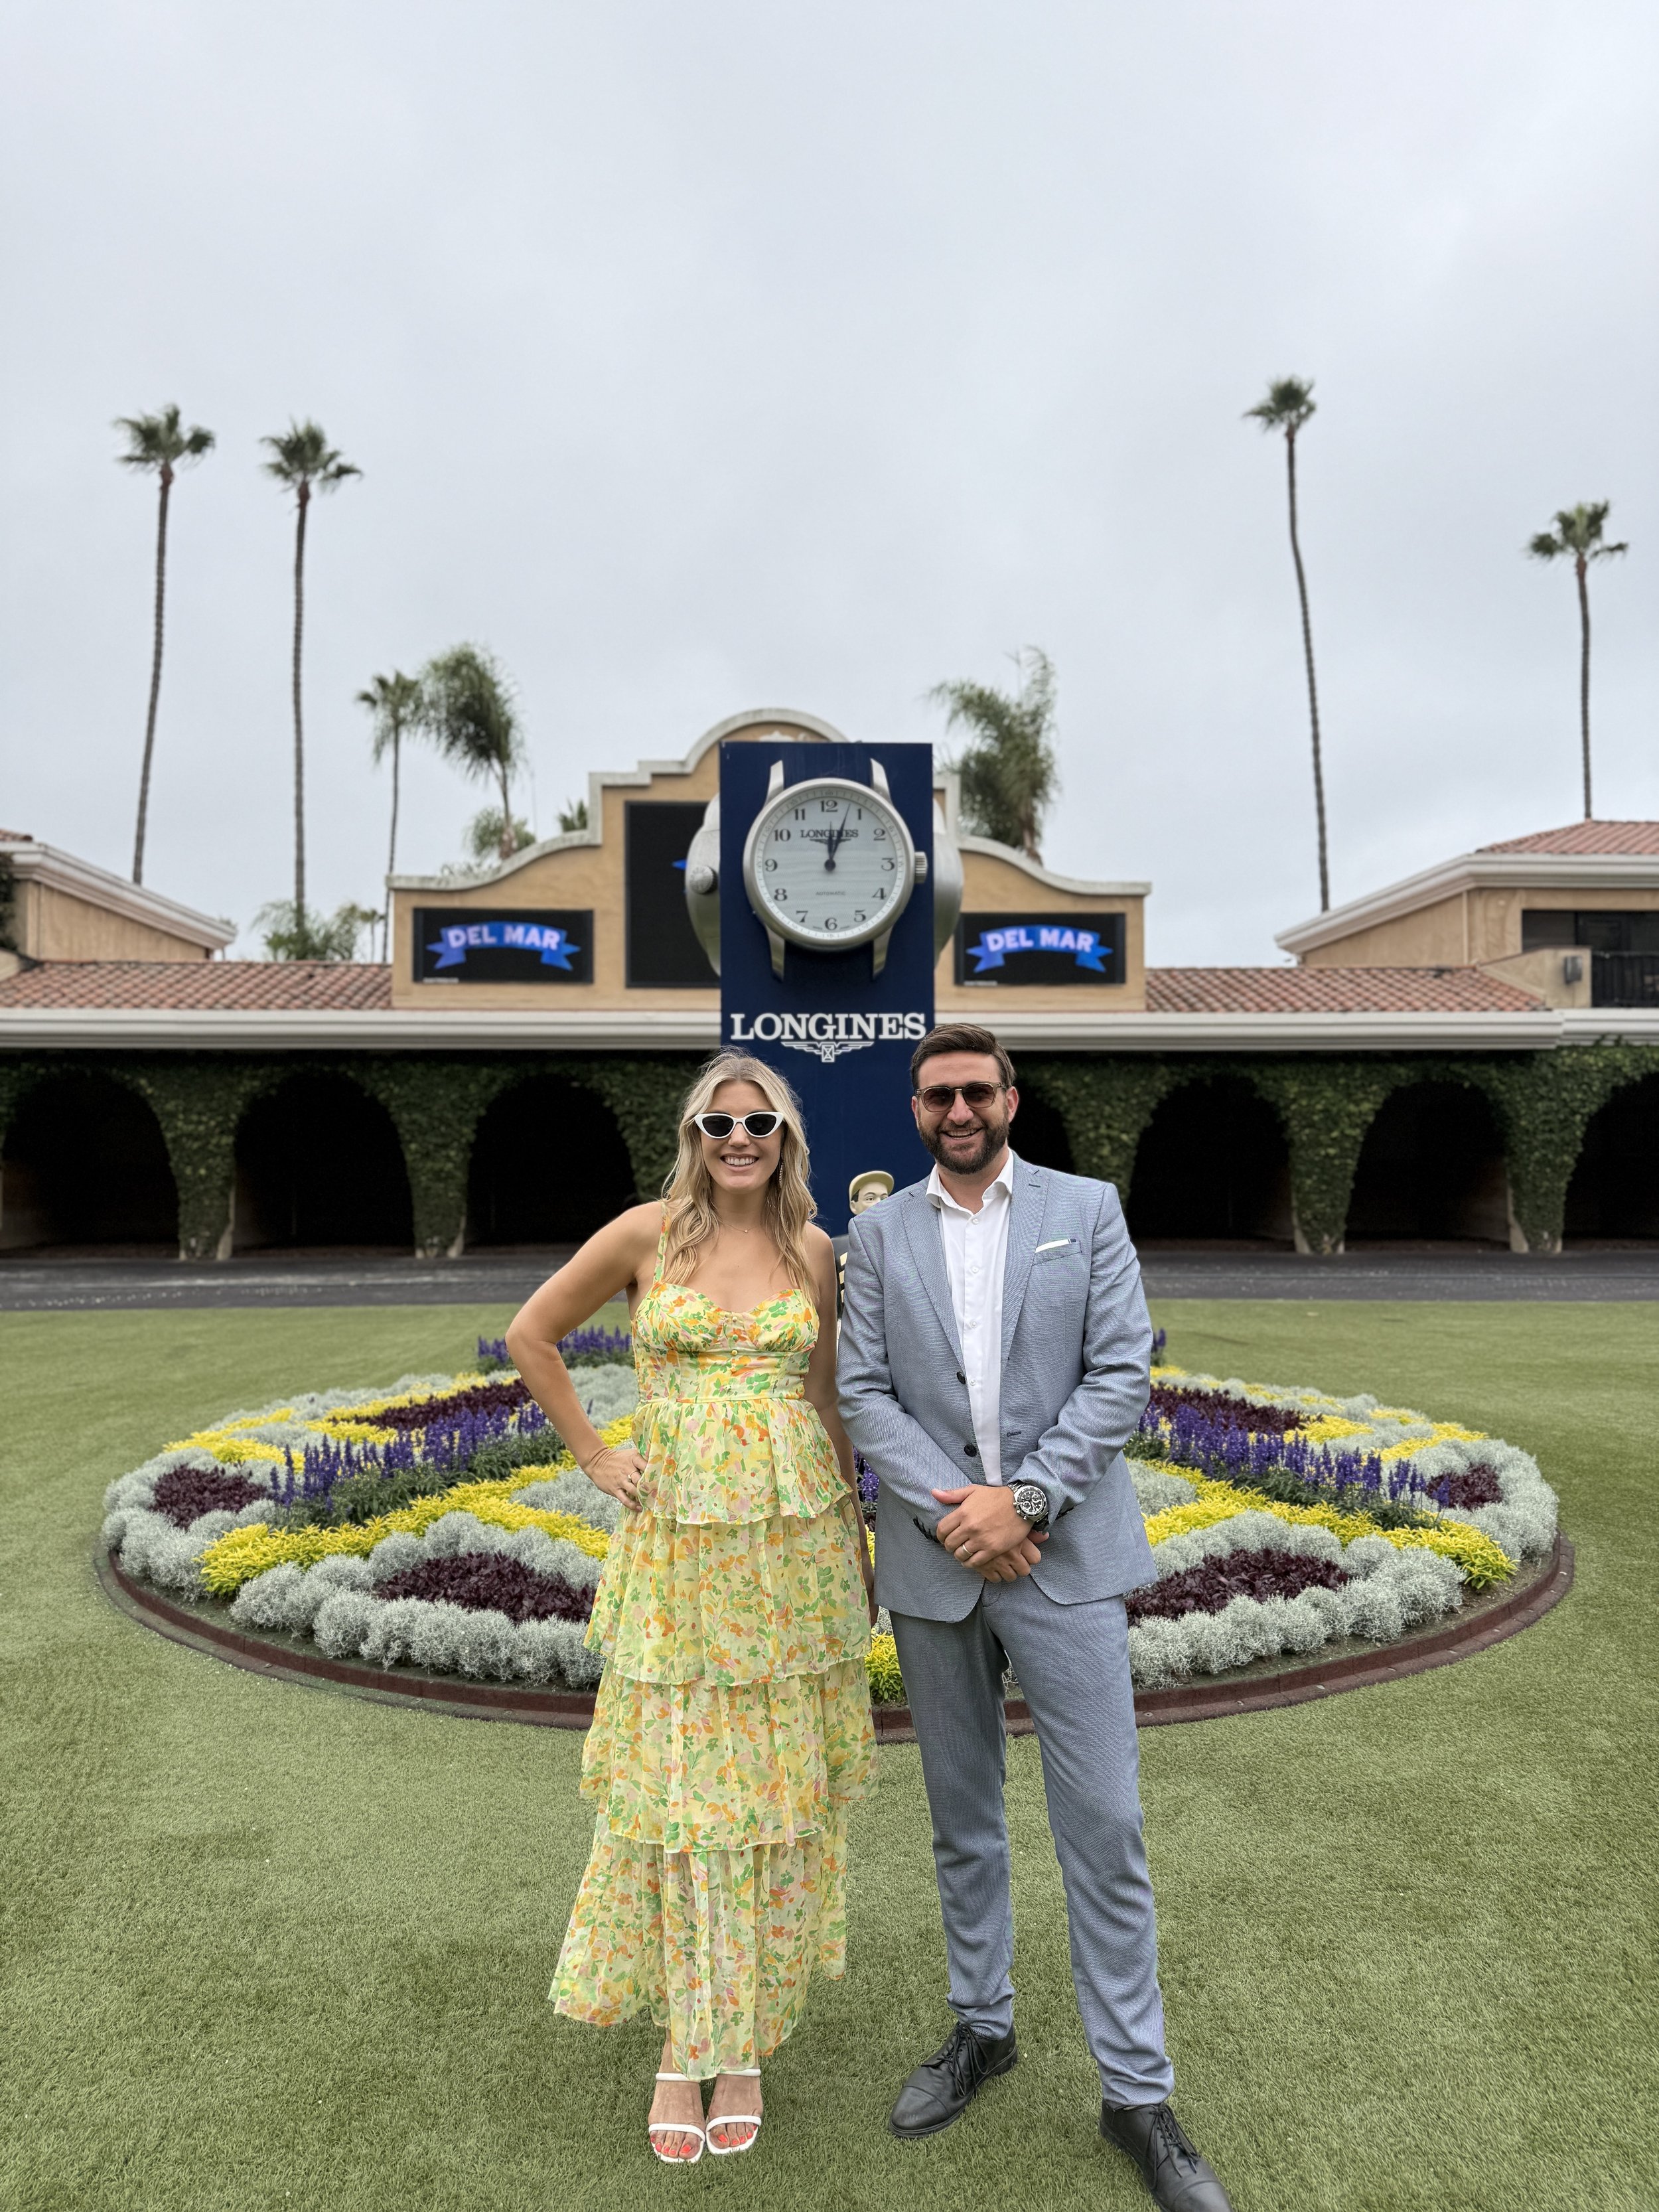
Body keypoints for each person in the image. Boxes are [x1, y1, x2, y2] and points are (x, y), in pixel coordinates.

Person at [837, 1022, 1234, 2212]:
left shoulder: (1087, 1208)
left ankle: (1138, 2094)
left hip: (1062, 1560)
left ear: (1010, 1098)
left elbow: (1122, 1371)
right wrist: (966, 1510)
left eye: (975, 1091)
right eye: (935, 1096)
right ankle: (983, 2026)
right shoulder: (877, 1231)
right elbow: (861, 1389)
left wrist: (1030, 1500)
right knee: (964, 1821)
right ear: (915, 1112)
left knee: (1105, 1825)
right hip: (939, 1561)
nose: (957, 1110)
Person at [507, 1052, 876, 2167]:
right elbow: (534, 1334)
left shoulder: (812, 1250)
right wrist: (595, 1450)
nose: (738, 1137)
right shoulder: (643, 1234)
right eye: (719, 1120)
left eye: (758, 1121)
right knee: (683, 1790)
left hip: (793, 1549)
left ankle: (745, 2036)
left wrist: (855, 1532)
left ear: (785, 1136)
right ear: (694, 1131)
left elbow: (823, 1399)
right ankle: (685, 2038)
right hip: (677, 1556)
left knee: (770, 1791)